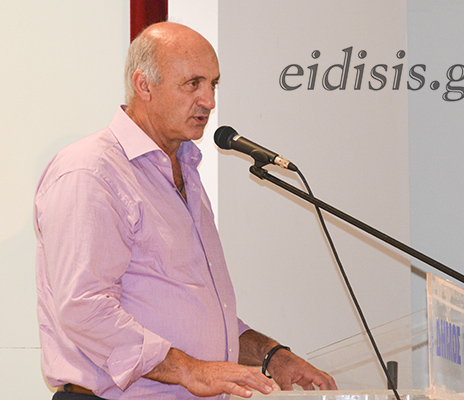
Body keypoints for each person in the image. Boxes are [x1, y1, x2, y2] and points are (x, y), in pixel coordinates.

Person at [34, 22, 337, 400]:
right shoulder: (91, 172)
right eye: (193, 84)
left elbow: (193, 317)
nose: (209, 101)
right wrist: (190, 370)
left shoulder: (185, 170)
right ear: (144, 85)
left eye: (213, 84)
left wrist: (271, 356)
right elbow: (84, 309)